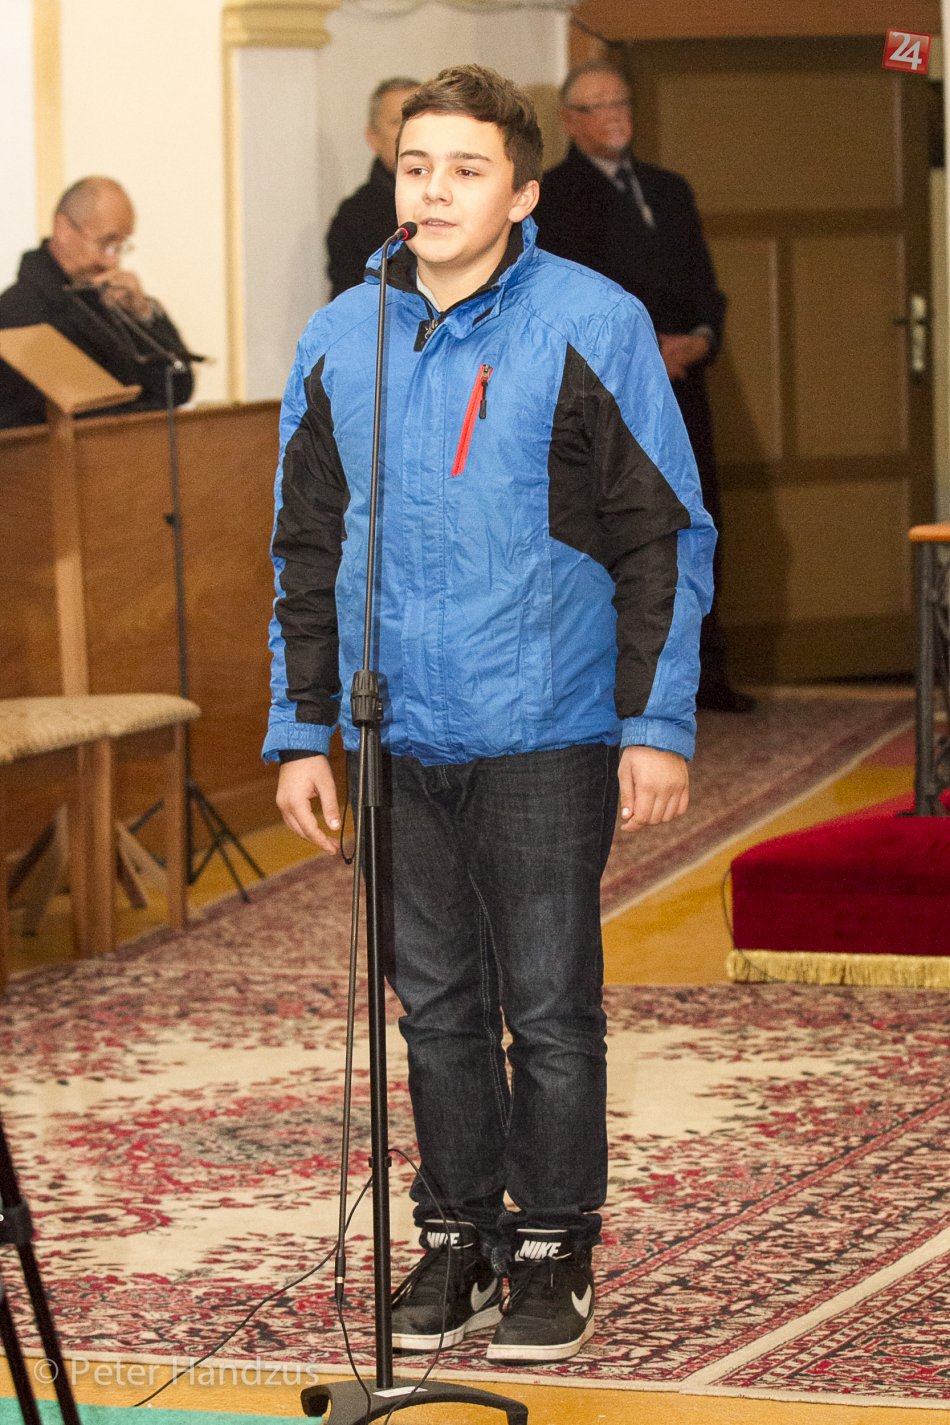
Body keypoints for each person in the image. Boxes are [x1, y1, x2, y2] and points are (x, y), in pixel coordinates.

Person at [265, 65, 715, 1364]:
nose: (435, 191)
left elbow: (662, 535)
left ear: (521, 192)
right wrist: (300, 730)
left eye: (466, 170)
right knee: (435, 1007)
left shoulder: (592, 321)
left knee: (550, 1005)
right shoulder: (338, 335)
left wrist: (654, 723)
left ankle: (552, 1245)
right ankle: (457, 1233)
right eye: (417, 167)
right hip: (392, 733)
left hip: (544, 725)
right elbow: (302, 547)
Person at [535, 60, 751, 713]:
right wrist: (640, 351)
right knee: (624, 530)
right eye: (598, 106)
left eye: (621, 102)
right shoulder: (554, 196)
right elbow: (566, 299)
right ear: (571, 121)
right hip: (610, 396)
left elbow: (706, 288)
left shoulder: (668, 188)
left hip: (683, 386)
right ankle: (626, 682)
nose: (615, 115)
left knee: (694, 517)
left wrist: (701, 339)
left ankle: (705, 672)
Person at [0, 176, 194, 429]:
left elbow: (178, 387)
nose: (111, 261)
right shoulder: (15, 313)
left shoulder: (110, 302)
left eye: (119, 246)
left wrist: (143, 315)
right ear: (63, 230)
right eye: (105, 243)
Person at [325, 77, 420, 299]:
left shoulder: (459, 197)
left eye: (417, 117)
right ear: (372, 138)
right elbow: (349, 307)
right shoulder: (354, 218)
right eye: (397, 121)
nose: (410, 129)